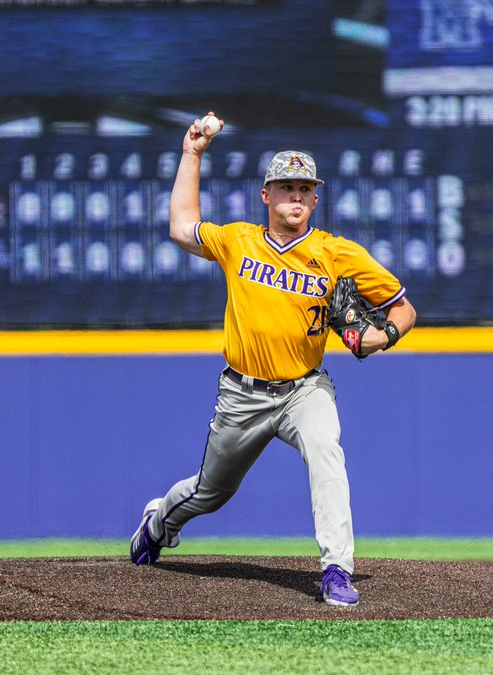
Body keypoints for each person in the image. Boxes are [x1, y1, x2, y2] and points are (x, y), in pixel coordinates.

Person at [130, 112, 417, 607]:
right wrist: (192, 153)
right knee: (210, 492)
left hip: (304, 388)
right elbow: (181, 227)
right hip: (242, 393)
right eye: (287, 187)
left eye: (306, 189)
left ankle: (335, 570)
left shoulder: (337, 253)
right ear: (267, 196)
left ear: (315, 198)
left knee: (327, 454)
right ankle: (159, 523)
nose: (297, 197)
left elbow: (404, 308)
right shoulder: (239, 240)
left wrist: (383, 335)